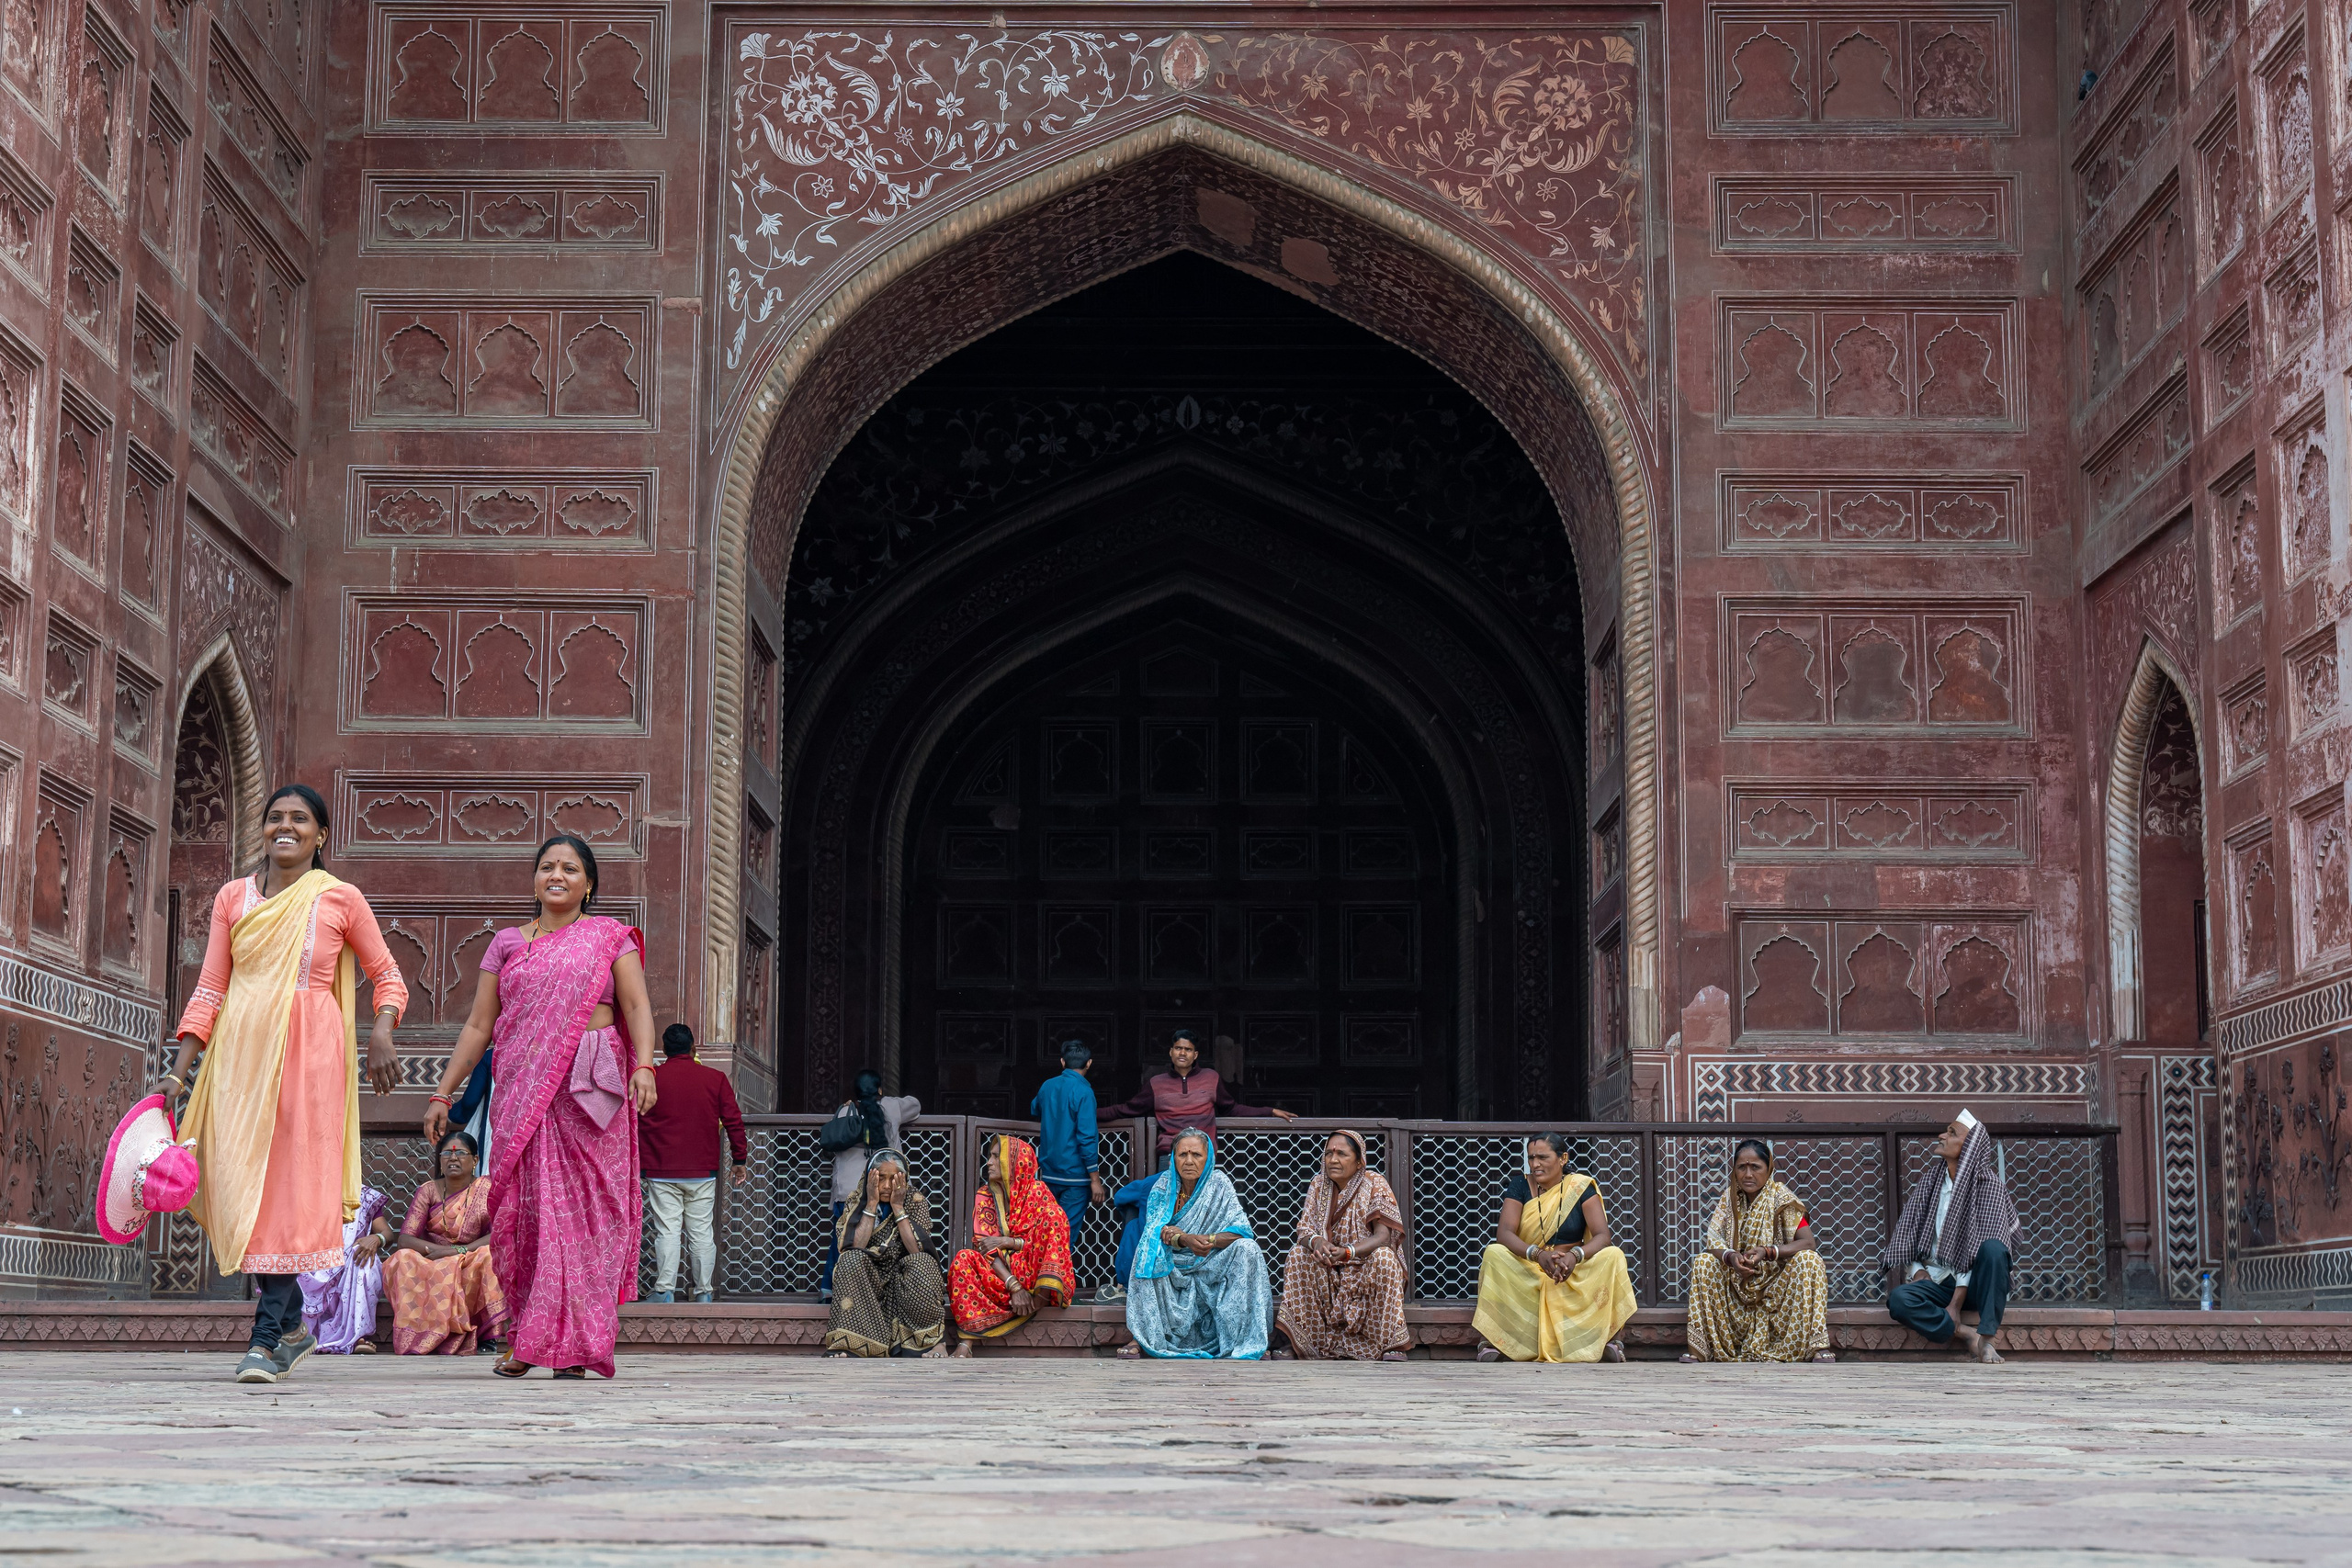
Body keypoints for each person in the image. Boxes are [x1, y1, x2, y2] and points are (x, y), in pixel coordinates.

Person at [155, 783, 408, 1384]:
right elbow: (211, 988)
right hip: (240, 1061)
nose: (285, 827)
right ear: (262, 829)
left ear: (321, 835)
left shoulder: (339, 898)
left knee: (288, 1192)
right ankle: (294, 1326)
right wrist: (177, 1073)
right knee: (248, 1186)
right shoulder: (232, 898)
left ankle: (265, 1338)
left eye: (300, 819)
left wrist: (382, 1034)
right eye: (275, 818)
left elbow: (388, 977)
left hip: (311, 1058)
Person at [422, 833, 660, 1380]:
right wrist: (443, 1091)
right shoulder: (506, 943)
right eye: (547, 867)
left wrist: (644, 1065)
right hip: (522, 1094)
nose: (558, 875)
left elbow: (637, 1004)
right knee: (528, 1217)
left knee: (589, 1218)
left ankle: (576, 1344)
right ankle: (529, 1336)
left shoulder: (608, 938)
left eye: (570, 868)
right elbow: (480, 1025)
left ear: (589, 883)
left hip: (589, 1096)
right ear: (534, 879)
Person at [1102, 1030, 1295, 1301]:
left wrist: (1268, 1111)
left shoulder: (1211, 1079)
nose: (1182, 1053)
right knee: (1164, 1221)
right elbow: (1127, 1110)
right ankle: (1163, 1281)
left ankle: (1201, 1277)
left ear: (1195, 1055)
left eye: (1188, 1049)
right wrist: (1085, 1116)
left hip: (1203, 1162)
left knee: (1207, 1217)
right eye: (1178, 1048)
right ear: (1171, 1052)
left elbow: (1231, 1107)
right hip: (1169, 1161)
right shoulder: (1156, 1083)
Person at [1471, 1132, 1637, 1363]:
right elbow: (1504, 1234)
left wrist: (1574, 1256)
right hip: (1529, 1268)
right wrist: (1537, 1255)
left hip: (1570, 1271)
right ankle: (1492, 1341)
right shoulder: (1520, 1185)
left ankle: (1611, 1340)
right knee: (1494, 1253)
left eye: (1543, 1157)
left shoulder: (1580, 1187)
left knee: (1613, 1255)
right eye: (1531, 1158)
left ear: (1563, 1158)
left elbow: (1602, 1236)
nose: (1535, 1164)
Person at [1883, 1110, 2019, 1364]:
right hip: (1938, 1281)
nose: (1942, 1135)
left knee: (1993, 1250)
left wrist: (1956, 1304)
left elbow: (1975, 1248)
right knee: (1899, 1300)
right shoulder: (1930, 1183)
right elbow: (1910, 1233)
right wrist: (1917, 1270)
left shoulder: (1989, 1186)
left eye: (1951, 1132)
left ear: (1969, 1146)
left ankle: (1987, 1339)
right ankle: (1965, 1334)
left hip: (1976, 1285)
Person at [1681, 1137, 1833, 1364]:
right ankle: (1700, 1349)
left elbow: (1808, 1243)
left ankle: (1816, 1347)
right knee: (1704, 1262)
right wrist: (1732, 1258)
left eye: (1755, 1167)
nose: (1748, 1174)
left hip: (1778, 1290)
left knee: (1809, 1261)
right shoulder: (1729, 1198)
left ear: (1768, 1169)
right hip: (1737, 1287)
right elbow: (1713, 1239)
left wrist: (1768, 1251)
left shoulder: (1781, 1199)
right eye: (1742, 1167)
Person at [1121, 1129, 1269, 1359]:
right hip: (1175, 1268)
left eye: (1196, 1155)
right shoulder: (1163, 1186)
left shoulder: (1219, 1183)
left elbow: (1241, 1231)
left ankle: (1246, 1339)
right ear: (1173, 1158)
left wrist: (1209, 1240)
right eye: (1182, 1155)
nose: (1189, 1161)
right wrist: (1184, 1239)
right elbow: (1155, 1231)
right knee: (1148, 1253)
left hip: (1211, 1263)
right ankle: (1142, 1337)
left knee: (1248, 1250)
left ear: (1208, 1157)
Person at [1273, 1129, 1408, 1361]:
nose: (1333, 1159)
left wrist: (1348, 1252)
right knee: (1298, 1254)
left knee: (1386, 1257)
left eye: (1341, 1154)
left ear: (1359, 1162)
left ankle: (1387, 1344)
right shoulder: (1318, 1184)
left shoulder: (1374, 1183)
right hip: (1327, 1267)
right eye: (1328, 1154)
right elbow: (1304, 1230)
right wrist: (1317, 1242)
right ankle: (1301, 1342)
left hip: (1364, 1267)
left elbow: (1384, 1236)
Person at [638, 1023, 749, 1304]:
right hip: (702, 1172)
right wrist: (740, 1159)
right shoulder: (714, 1079)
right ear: (693, 1048)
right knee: (701, 1233)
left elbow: (634, 1120)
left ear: (664, 1050)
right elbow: (734, 1121)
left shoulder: (653, 1079)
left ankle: (664, 1291)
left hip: (661, 1169)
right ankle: (703, 1293)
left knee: (667, 1231)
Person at [381, 1130, 510, 1356]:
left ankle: (486, 1336)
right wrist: (439, 1252)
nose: (453, 1158)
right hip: (433, 1259)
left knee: (489, 1256)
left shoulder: (487, 1189)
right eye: (447, 1154)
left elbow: (497, 1234)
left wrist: (456, 1251)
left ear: (475, 1160)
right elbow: (405, 1238)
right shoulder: (428, 1190)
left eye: (460, 1153)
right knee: (401, 1259)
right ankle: (424, 1336)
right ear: (440, 1160)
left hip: (470, 1257)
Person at [946, 1134, 1073, 1354]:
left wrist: (1009, 1241)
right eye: (990, 1156)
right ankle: (966, 1342)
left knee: (1056, 1215)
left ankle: (1039, 1300)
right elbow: (985, 1247)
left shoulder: (1038, 1192)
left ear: (1015, 1161)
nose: (989, 1162)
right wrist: (1014, 1287)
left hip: (1034, 1277)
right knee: (964, 1258)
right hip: (1003, 1278)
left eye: (996, 1157)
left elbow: (1047, 1240)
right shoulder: (985, 1195)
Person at [823, 1150, 946, 1358]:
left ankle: (931, 1343)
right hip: (869, 1283)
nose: (888, 1186)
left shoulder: (914, 1200)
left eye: (894, 1179)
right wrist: (871, 1203)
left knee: (923, 1262)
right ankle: (853, 1345)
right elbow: (854, 1247)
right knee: (849, 1260)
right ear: (870, 1177)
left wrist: (898, 1208)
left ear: (904, 1180)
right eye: (881, 1178)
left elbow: (916, 1249)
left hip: (903, 1281)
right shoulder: (856, 1200)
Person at [823, 1069, 920, 1299]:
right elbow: (915, 1105)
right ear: (879, 1090)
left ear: (855, 1093)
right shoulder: (891, 1107)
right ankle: (878, 1293)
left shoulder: (846, 1110)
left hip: (847, 1191)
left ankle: (830, 1292)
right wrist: (888, 1099)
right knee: (884, 1241)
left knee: (842, 1240)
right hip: (885, 1189)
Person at [298, 1184, 390, 1355]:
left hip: (349, 1265)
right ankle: (298, 1335)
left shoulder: (360, 1195)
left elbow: (387, 1232)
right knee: (290, 1261)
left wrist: (377, 1238)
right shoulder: (307, 1190)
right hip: (313, 1261)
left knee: (363, 1260)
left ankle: (356, 1337)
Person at [1031, 1039, 1107, 1242]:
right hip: (1075, 1180)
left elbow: (1034, 1108)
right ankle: (1059, 1274)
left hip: (1048, 1176)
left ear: (1062, 1062)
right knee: (1064, 1239)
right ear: (1089, 1063)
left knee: (1045, 1236)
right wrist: (1095, 1180)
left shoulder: (1048, 1086)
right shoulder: (1084, 1092)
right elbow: (1087, 1137)